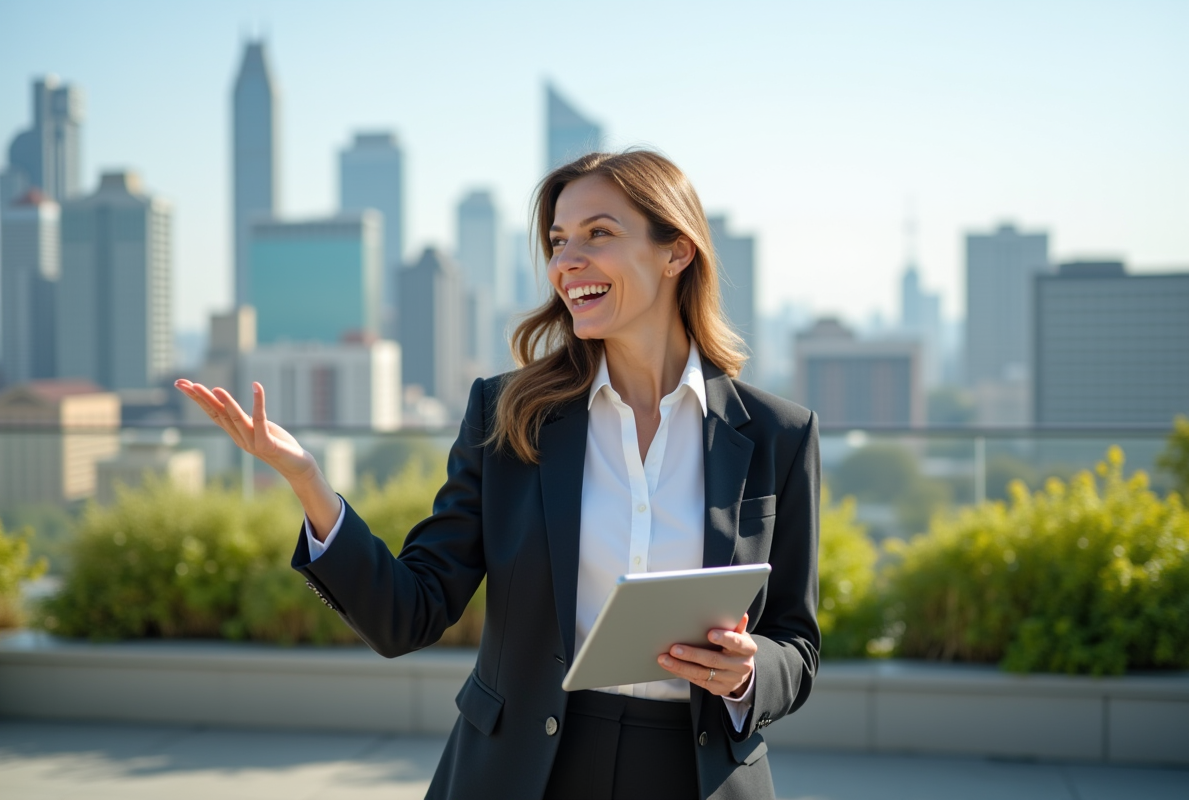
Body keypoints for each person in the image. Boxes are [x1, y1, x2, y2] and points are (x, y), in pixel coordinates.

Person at [177, 149, 820, 800]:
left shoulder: (778, 436)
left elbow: (795, 643)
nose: (567, 262)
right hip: (527, 771)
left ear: (676, 251)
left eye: (599, 234)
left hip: (697, 772)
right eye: (557, 241)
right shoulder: (511, 415)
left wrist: (747, 673)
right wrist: (309, 483)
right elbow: (411, 614)